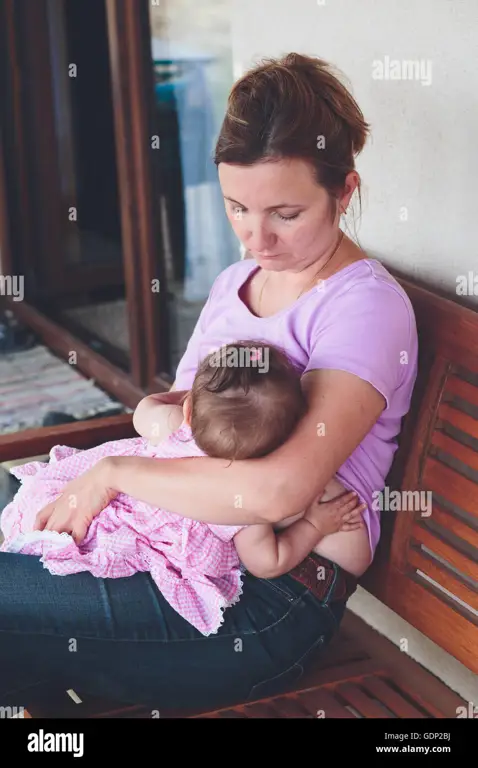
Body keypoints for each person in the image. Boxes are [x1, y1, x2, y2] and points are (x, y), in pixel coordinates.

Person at [0, 52, 418, 714]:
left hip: (262, 599)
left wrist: (114, 473)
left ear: (344, 191)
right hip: (168, 538)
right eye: (236, 209)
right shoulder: (236, 284)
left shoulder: (363, 307)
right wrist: (155, 425)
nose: (257, 239)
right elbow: (176, 417)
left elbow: (276, 489)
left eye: (285, 212)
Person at [0, 341, 365, 637]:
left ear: (189, 410)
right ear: (284, 444)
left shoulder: (175, 427)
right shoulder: (243, 506)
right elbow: (267, 562)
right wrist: (314, 525)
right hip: (119, 547)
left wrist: (193, 401)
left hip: (84, 512)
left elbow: (146, 408)